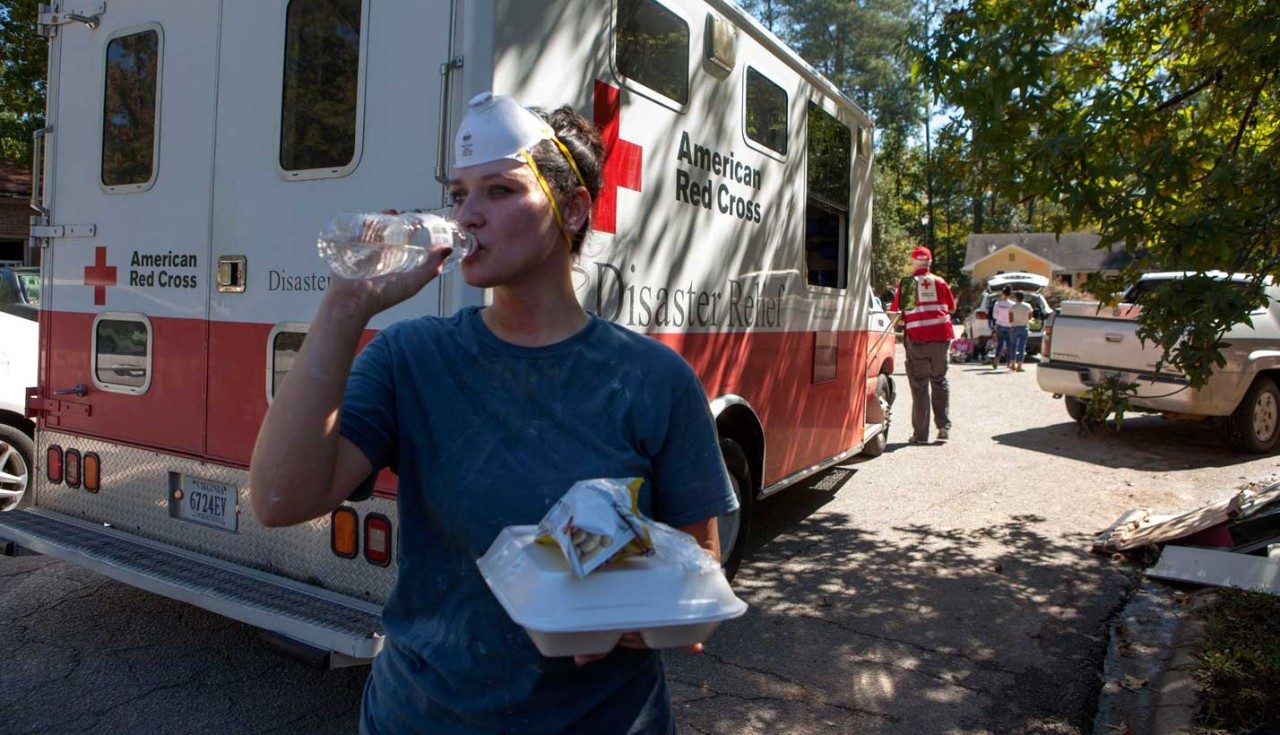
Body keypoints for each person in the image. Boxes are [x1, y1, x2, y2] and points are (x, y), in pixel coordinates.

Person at [249, 92, 738, 734]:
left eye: (500, 190)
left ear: (572, 207)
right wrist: (346, 307)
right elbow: (279, 499)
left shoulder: (651, 378)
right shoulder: (410, 358)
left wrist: (621, 613)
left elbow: (701, 565)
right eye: (458, 194)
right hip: (418, 719)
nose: (468, 216)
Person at [891, 245, 955, 443]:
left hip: (918, 339)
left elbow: (897, 312)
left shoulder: (909, 284)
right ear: (929, 262)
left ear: (913, 262)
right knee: (939, 380)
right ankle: (943, 427)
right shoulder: (940, 282)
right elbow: (951, 308)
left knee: (919, 385)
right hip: (941, 338)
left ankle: (920, 435)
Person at [1008, 290, 1034, 371]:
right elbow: (1030, 317)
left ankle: (1012, 364)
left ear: (1016, 298)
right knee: (1022, 347)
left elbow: (1010, 319)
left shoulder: (1012, 306)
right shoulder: (1028, 306)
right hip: (1024, 327)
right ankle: (1019, 365)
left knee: (1013, 346)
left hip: (1014, 327)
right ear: (1023, 298)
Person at [989, 286, 1014, 370]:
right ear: (1010, 294)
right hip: (1009, 326)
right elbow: (1013, 316)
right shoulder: (1012, 304)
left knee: (1000, 344)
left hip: (1000, 325)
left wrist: (1000, 317)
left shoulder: (997, 303)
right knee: (1009, 344)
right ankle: (1009, 362)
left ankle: (996, 361)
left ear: (1003, 294)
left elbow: (994, 315)